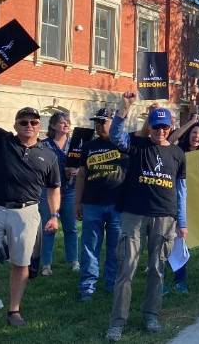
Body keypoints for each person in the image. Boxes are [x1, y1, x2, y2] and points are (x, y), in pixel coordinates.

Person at [106, 93, 187, 341]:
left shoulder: (177, 153)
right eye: (156, 126)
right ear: (149, 126)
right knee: (127, 267)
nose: (160, 131)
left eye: (164, 127)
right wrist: (126, 107)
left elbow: (181, 189)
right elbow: (115, 136)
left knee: (157, 267)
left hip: (165, 216)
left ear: (170, 127)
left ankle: (151, 315)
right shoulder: (137, 145)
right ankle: (117, 322)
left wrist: (182, 221)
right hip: (134, 214)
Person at [0, 107, 60, 327]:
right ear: (15, 125)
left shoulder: (49, 155)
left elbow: (54, 188)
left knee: (21, 263)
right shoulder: (2, 140)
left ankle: (14, 311)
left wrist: (54, 215)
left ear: (39, 126)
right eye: (23, 122)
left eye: (34, 122)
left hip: (26, 213)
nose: (29, 126)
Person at [75, 108, 127, 302]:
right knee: (90, 247)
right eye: (96, 122)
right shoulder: (89, 147)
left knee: (115, 249)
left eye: (102, 122)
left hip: (117, 205)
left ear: (113, 124)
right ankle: (87, 287)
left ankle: (112, 284)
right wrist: (77, 202)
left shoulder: (123, 145)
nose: (98, 126)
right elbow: (81, 175)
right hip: (91, 204)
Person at [165, 114, 199, 295]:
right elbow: (170, 139)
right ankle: (169, 280)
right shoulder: (177, 152)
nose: (197, 136)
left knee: (183, 242)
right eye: (194, 132)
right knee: (171, 241)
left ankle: (180, 279)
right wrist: (191, 121)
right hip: (175, 201)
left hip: (195, 203)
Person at [39, 112, 79, 276]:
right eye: (62, 122)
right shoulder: (44, 145)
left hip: (69, 190)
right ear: (53, 125)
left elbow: (82, 165)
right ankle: (46, 265)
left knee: (71, 227)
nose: (66, 125)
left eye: (68, 122)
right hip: (49, 191)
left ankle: (74, 261)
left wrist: (75, 171)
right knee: (49, 227)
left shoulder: (74, 145)